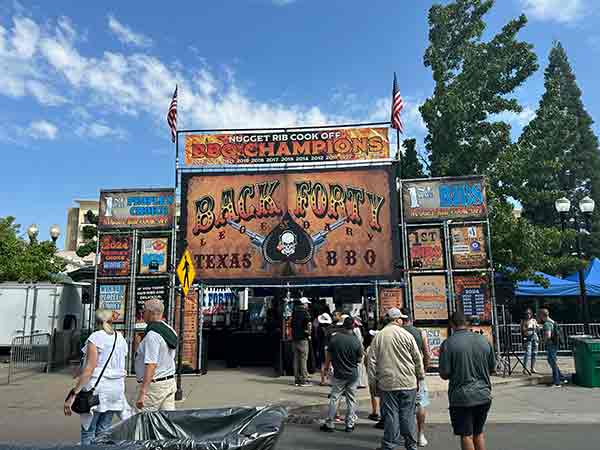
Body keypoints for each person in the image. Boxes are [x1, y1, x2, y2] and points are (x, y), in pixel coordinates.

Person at [64, 309, 130, 445]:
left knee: (88, 431)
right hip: (116, 390)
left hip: (97, 392)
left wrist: (73, 394)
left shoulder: (95, 337)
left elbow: (89, 369)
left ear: (96, 321)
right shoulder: (120, 338)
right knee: (103, 431)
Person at [368, 308, 425, 450]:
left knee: (391, 415)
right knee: (408, 415)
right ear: (397, 320)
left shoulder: (379, 337)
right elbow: (417, 359)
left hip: (387, 383)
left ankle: (389, 445)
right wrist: (420, 378)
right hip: (408, 382)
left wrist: (373, 385)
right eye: (401, 319)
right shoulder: (407, 335)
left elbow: (371, 362)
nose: (402, 321)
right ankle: (411, 445)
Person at [439, 312, 496, 450]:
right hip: (483, 395)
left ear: (452, 325)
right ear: (467, 323)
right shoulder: (483, 340)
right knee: (479, 433)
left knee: (466, 435)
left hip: (461, 397)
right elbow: (492, 368)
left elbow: (445, 374)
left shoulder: (448, 344)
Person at [320, 316, 364, 433]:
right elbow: (360, 359)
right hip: (352, 374)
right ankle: (349, 424)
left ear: (343, 326)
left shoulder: (335, 339)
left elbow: (328, 356)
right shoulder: (356, 341)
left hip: (339, 374)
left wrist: (326, 368)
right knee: (351, 399)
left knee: (335, 397)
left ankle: (330, 423)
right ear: (353, 326)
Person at [135, 298, 178, 411]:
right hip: (169, 382)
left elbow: (151, 364)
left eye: (143, 311)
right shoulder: (170, 330)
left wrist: (143, 392)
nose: (142, 314)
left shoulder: (152, 335)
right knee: (166, 421)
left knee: (142, 421)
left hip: (154, 387)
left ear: (150, 313)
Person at [402, 309, 432, 447]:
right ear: (412, 318)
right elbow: (427, 354)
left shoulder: (397, 332)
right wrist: (423, 371)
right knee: (420, 404)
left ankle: (406, 435)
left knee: (402, 406)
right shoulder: (421, 333)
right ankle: (420, 435)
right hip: (417, 374)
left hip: (402, 373)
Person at [538, 308, 565, 387]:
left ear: (542, 315)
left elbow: (548, 335)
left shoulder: (547, 324)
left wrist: (543, 341)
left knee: (552, 362)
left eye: (539, 315)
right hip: (555, 344)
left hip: (551, 344)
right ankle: (562, 378)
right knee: (552, 361)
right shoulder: (552, 321)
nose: (539, 317)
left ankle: (557, 382)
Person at [291, 297, 312, 386]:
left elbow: (291, 325)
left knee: (296, 359)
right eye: (307, 303)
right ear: (304, 304)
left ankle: (297, 379)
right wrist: (309, 334)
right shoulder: (306, 313)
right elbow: (308, 325)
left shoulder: (294, 313)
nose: (307, 305)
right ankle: (304, 379)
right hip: (303, 339)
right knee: (303, 359)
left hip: (295, 338)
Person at [520, 308, 539, 374]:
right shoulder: (523, 321)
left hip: (534, 336)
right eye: (527, 313)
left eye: (529, 313)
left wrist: (537, 328)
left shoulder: (534, 320)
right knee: (528, 353)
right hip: (527, 337)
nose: (528, 315)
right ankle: (525, 368)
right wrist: (528, 329)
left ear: (531, 314)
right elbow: (522, 330)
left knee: (535, 353)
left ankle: (532, 368)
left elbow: (537, 329)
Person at [316, 312, 333, 385]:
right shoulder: (330, 328)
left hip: (321, 346)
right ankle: (330, 380)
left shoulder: (319, 328)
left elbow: (317, 338)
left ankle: (322, 380)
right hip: (329, 346)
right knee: (330, 364)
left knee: (323, 364)